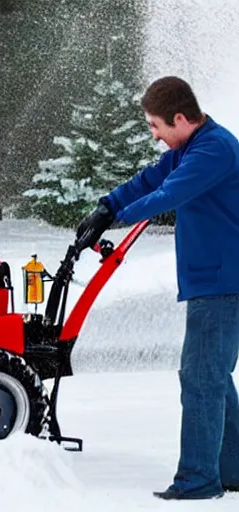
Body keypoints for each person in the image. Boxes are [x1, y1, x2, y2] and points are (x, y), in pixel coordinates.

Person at [76, 76, 239, 500]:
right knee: (214, 377)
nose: (154, 135)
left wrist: (116, 220)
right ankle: (233, 469)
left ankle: (198, 482)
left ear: (180, 119)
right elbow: (150, 179)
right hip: (212, 277)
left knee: (201, 378)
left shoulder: (214, 150)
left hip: (222, 281)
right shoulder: (191, 147)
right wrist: (106, 205)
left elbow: (167, 194)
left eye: (155, 126)